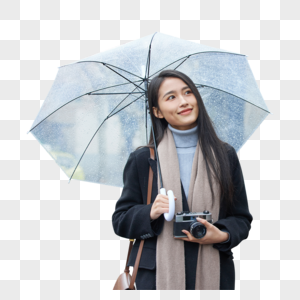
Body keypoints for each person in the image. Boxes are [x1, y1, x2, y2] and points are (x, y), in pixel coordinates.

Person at [112, 69, 252, 290]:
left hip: (214, 272)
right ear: (157, 112)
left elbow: (241, 218)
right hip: (158, 276)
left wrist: (222, 234)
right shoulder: (143, 159)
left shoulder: (225, 155)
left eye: (188, 92)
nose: (184, 101)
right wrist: (150, 211)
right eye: (171, 97)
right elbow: (120, 220)